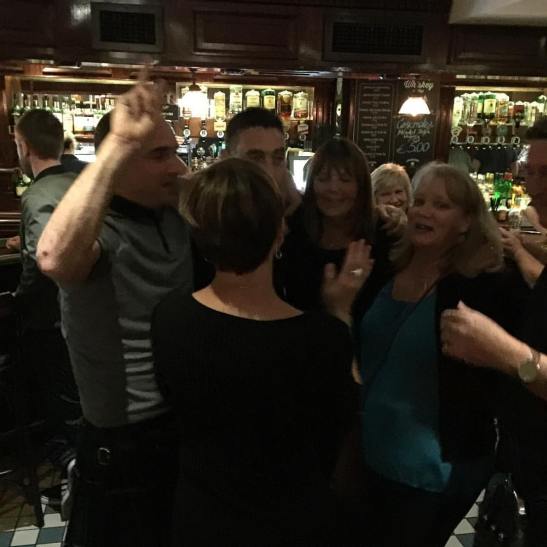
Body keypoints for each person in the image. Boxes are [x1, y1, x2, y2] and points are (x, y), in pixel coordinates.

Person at [153, 157, 366, 547]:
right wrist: (340, 310)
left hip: (200, 518)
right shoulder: (322, 338)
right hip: (290, 522)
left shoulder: (169, 317)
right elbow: (341, 421)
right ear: (279, 232)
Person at [37, 79, 193, 547]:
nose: (177, 165)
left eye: (175, 152)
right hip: (123, 445)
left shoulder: (172, 212)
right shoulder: (98, 229)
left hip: (183, 427)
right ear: (118, 160)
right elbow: (54, 259)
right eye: (159, 155)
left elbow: (261, 202)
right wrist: (120, 141)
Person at [335, 162, 522, 547]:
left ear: (466, 221)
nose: (424, 211)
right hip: (369, 457)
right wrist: (338, 305)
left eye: (441, 205)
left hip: (435, 475)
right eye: (419, 201)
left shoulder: (484, 286)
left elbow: (505, 374)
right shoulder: (385, 267)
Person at [441, 117, 547, 547]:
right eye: (531, 172)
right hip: (526, 476)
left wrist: (504, 352)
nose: (535, 188)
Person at [13, 109, 81, 504]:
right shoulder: (79, 183)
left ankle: (74, 470)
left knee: (57, 398)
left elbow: (42, 257)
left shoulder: (36, 194)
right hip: (85, 313)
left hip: (53, 318)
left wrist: (20, 298)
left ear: (24, 147)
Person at [276, 137, 404, 312]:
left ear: (361, 186)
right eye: (323, 179)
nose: (333, 188)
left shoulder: (384, 230)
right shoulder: (294, 228)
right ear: (312, 183)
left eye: (345, 180)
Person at [225, 107, 301, 216]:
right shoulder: (208, 216)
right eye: (255, 159)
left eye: (278, 158)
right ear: (226, 159)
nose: (269, 172)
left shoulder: (303, 215)